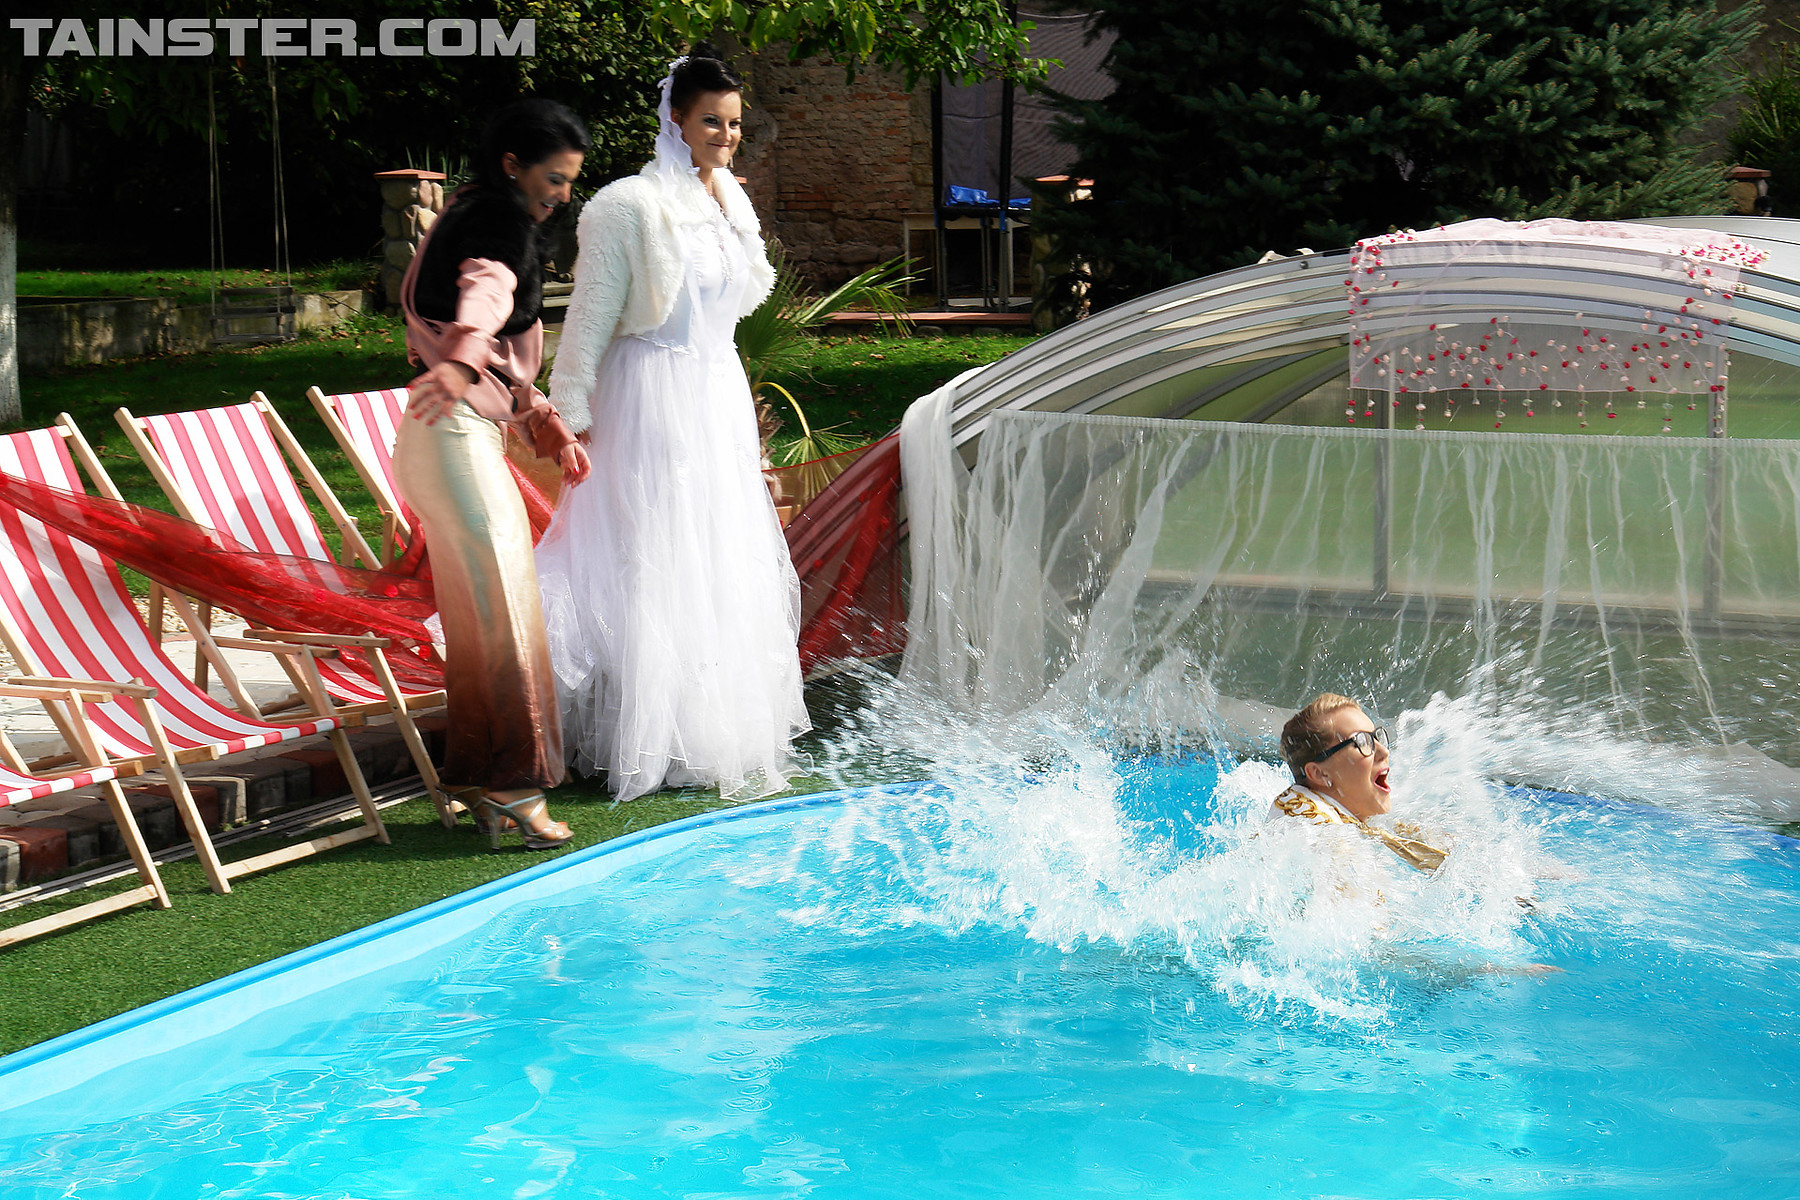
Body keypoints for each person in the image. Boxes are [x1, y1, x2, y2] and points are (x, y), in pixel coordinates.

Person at [537, 51, 809, 801]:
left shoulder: (733, 204)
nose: (726, 135)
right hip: (649, 391)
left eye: (734, 123)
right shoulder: (628, 206)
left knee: (716, 551)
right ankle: (634, 727)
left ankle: (704, 728)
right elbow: (589, 316)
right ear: (677, 121)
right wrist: (569, 413)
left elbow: (731, 306)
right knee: (653, 549)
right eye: (711, 121)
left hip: (716, 391)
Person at [395, 97, 593, 848]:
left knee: (480, 615)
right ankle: (514, 782)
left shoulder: (470, 211)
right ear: (513, 166)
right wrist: (462, 359)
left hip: (441, 439)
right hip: (454, 438)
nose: (561, 195)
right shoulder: (498, 223)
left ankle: (481, 779)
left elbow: (492, 333)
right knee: (507, 609)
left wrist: (541, 419)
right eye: (553, 179)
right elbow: (487, 291)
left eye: (569, 182)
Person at [1271, 693, 1446, 872]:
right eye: (1362, 742)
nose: (1384, 752)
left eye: (1376, 738)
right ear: (1320, 773)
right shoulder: (1319, 835)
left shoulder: (1344, 817)